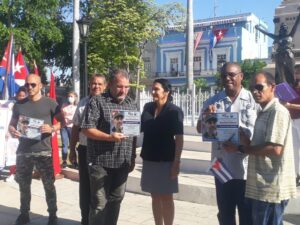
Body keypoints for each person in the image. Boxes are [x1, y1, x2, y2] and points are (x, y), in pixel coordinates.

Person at [223, 71, 297, 225]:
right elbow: (262, 146)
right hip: (261, 187)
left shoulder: (277, 112)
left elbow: (275, 148)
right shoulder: (263, 112)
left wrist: (242, 149)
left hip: (271, 188)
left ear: (272, 87)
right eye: (252, 88)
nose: (255, 91)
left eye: (259, 87)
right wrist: (245, 142)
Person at [196, 62, 258, 225]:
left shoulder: (253, 100)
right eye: (224, 75)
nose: (227, 78)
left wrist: (236, 129)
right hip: (220, 165)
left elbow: (256, 136)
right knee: (225, 213)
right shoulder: (213, 101)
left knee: (247, 214)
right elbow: (199, 128)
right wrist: (206, 117)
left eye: (231, 74)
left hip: (245, 166)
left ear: (241, 76)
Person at [81, 69, 137, 225]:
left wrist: (132, 157)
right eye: (120, 86)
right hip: (100, 162)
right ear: (111, 84)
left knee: (116, 200)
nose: (123, 90)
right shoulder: (97, 101)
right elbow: (86, 128)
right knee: (99, 204)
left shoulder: (132, 104)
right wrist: (109, 137)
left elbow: (133, 135)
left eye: (126, 87)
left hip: (122, 162)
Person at [8, 74, 65, 225]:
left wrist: (52, 128)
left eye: (33, 85)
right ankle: (24, 213)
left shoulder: (51, 103)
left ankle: (52, 215)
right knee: (24, 185)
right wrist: (12, 130)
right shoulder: (19, 105)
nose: (30, 87)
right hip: (24, 151)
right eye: (27, 85)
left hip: (43, 151)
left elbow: (63, 122)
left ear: (40, 86)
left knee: (48, 184)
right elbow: (11, 124)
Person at [140, 78, 184, 225]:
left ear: (166, 92)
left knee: (166, 197)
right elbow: (137, 127)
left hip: (166, 161)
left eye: (156, 89)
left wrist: (176, 162)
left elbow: (179, 139)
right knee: (154, 196)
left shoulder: (174, 111)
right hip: (149, 158)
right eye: (152, 89)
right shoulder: (147, 108)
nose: (153, 92)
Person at [69, 74, 107, 225]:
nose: (96, 86)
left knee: (101, 189)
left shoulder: (109, 103)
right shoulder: (83, 103)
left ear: (105, 86)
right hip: (85, 150)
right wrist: (72, 149)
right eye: (93, 83)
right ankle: (85, 219)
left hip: (104, 152)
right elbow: (75, 128)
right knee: (85, 187)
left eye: (99, 84)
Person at [255, 9, 300, 85]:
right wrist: (258, 28)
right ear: (280, 30)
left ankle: (292, 87)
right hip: (279, 56)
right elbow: (267, 33)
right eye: (282, 28)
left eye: (285, 28)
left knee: (291, 73)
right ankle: (281, 88)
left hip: (289, 56)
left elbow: (296, 24)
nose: (284, 29)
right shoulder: (277, 37)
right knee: (280, 75)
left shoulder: (290, 35)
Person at [282, 64, 300, 186]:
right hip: (291, 120)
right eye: (295, 73)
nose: (296, 75)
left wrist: (290, 106)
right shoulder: (292, 87)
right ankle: (296, 175)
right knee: (293, 149)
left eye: (298, 72)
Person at [6, 86, 27, 182]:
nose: (21, 97)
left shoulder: (29, 106)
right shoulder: (11, 105)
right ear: (17, 95)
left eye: (23, 96)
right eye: (20, 95)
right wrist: (7, 131)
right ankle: (11, 173)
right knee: (12, 154)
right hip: (12, 133)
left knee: (23, 155)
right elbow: (7, 119)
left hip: (25, 134)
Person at [60, 91, 78, 168]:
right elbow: (61, 115)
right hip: (64, 127)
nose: (70, 98)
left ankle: (74, 161)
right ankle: (64, 161)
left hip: (73, 128)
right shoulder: (64, 105)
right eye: (69, 96)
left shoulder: (77, 107)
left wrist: (72, 120)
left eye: (71, 96)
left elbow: (77, 118)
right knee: (64, 144)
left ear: (75, 98)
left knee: (73, 145)